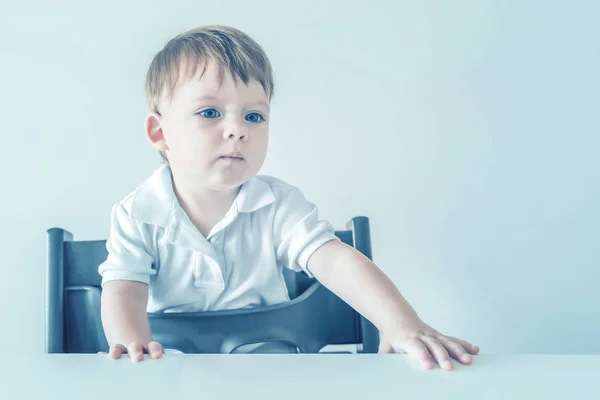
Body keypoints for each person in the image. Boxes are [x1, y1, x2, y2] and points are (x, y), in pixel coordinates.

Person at [98, 25, 479, 370]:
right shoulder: (137, 213)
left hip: (269, 371)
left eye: (254, 116)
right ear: (159, 133)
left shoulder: (278, 205)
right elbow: (124, 291)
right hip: (173, 373)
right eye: (210, 112)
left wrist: (400, 323)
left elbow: (335, 263)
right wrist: (133, 345)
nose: (237, 130)